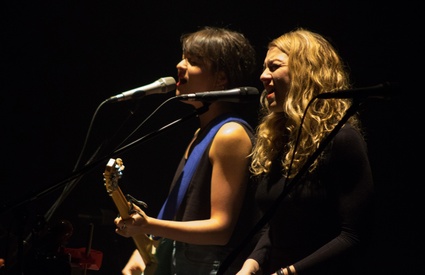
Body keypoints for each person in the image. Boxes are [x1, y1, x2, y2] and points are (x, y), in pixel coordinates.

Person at [114, 26, 262, 275]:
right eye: (183, 57)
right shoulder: (201, 133)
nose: (179, 65)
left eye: (193, 61)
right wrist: (143, 250)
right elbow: (176, 210)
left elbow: (221, 229)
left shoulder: (230, 134)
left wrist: (149, 225)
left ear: (221, 78)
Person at [236, 28, 375, 275]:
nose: (262, 75)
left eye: (274, 66)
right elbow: (275, 226)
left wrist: (289, 272)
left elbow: (354, 235)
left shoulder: (342, 139)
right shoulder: (281, 141)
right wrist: (250, 265)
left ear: (305, 72)